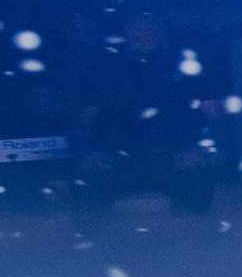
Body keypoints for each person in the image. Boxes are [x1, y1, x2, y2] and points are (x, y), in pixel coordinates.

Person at [71, 12, 220, 214]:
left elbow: (214, 115)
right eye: (134, 34)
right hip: (116, 156)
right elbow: (83, 121)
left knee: (196, 193)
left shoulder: (186, 67)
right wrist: (87, 153)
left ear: (162, 38)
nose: (140, 39)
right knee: (87, 197)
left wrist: (199, 149)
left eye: (147, 33)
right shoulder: (105, 69)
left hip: (173, 154)